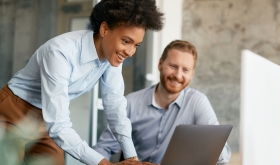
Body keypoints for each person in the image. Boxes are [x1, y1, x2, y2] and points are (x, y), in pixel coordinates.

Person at [0, 0, 163, 165]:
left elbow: (115, 106)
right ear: (105, 29)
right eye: (126, 41)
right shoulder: (60, 53)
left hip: (44, 118)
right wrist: (104, 163)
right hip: (12, 111)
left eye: (136, 45)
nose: (130, 52)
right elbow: (59, 125)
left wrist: (132, 158)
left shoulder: (112, 56)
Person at [93, 40, 231, 164]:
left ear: (192, 74)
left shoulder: (197, 102)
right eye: (173, 66)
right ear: (160, 64)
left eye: (185, 70)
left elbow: (223, 156)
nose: (178, 75)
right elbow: (103, 148)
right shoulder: (132, 102)